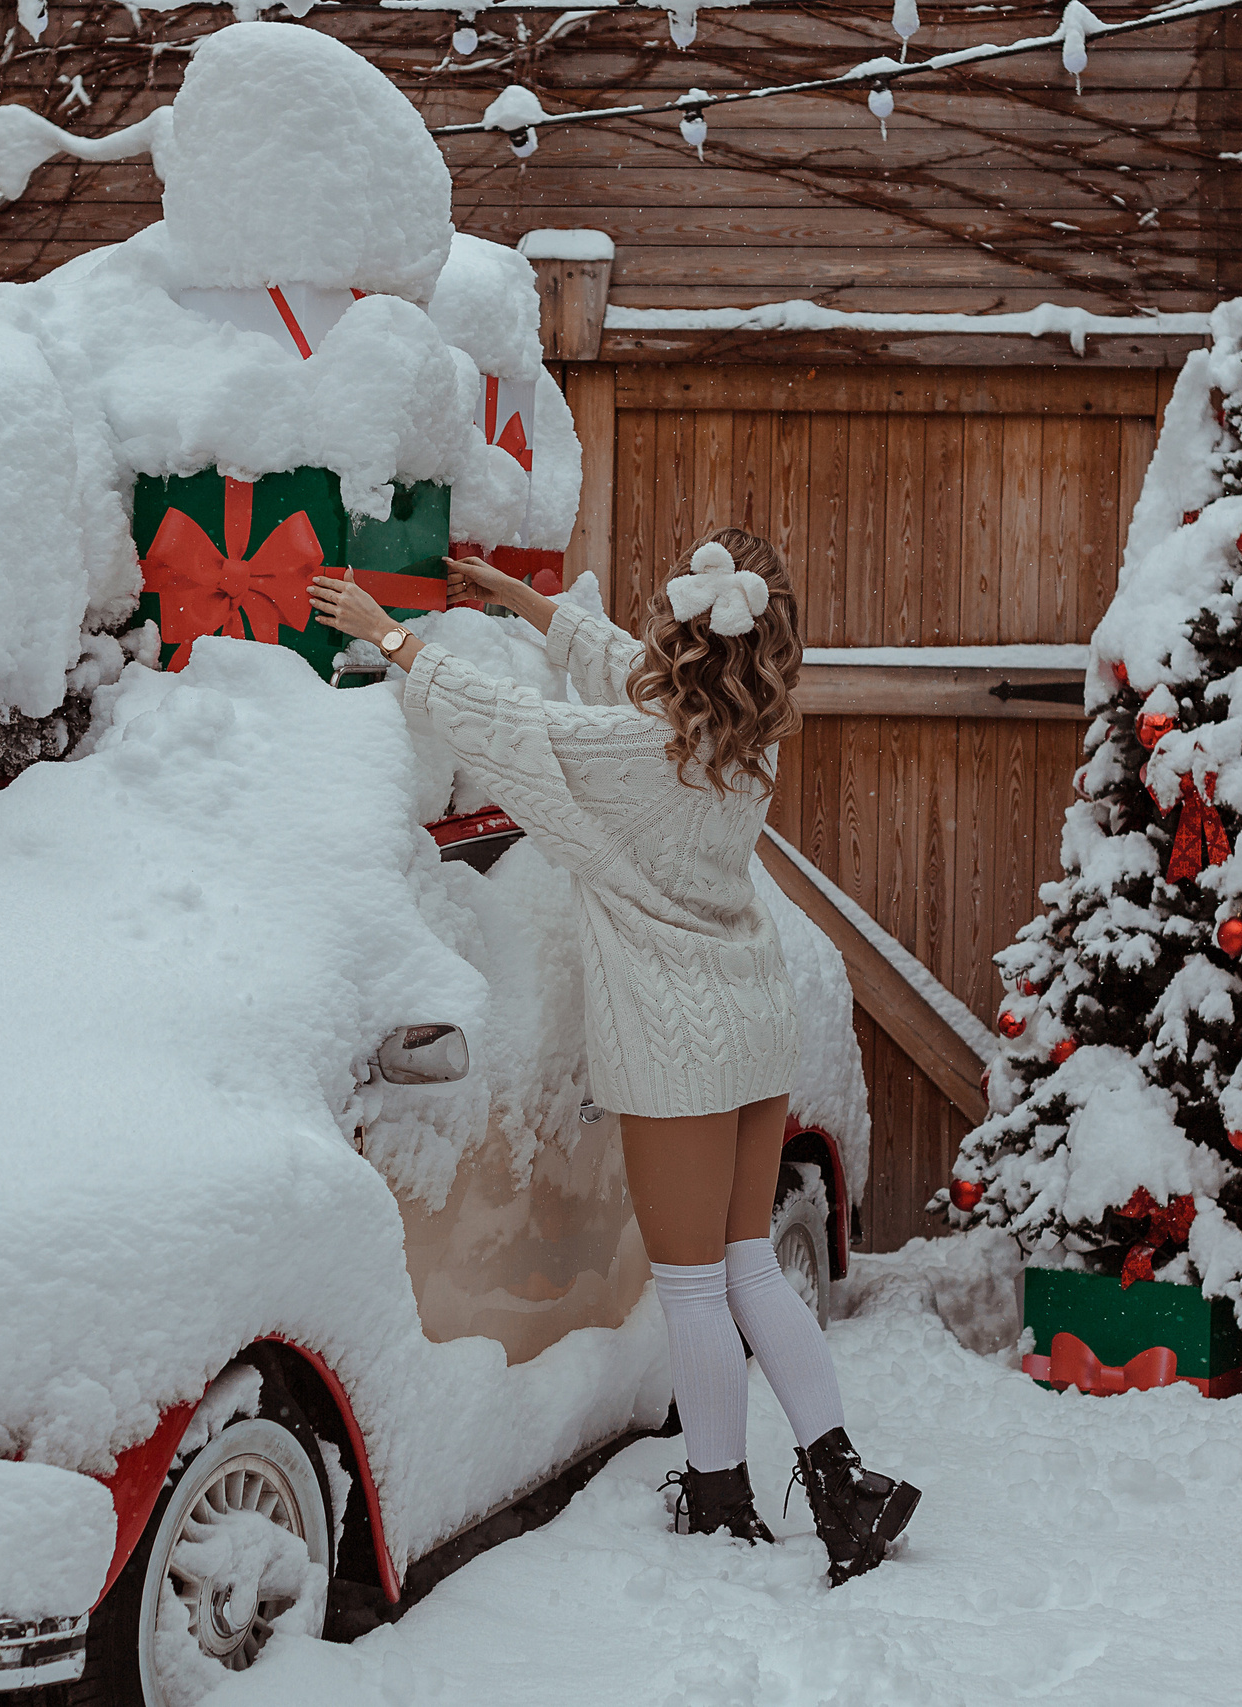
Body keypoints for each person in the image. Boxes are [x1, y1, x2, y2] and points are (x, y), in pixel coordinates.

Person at [309, 529, 920, 1585]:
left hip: (679, 1048)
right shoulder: (746, 734)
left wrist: (393, 641)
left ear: (681, 635)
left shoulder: (639, 750)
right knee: (744, 1272)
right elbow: (611, 663)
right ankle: (829, 1481)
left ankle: (752, 1495)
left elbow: (516, 725)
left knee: (692, 1287)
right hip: (752, 1029)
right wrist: (524, 601)